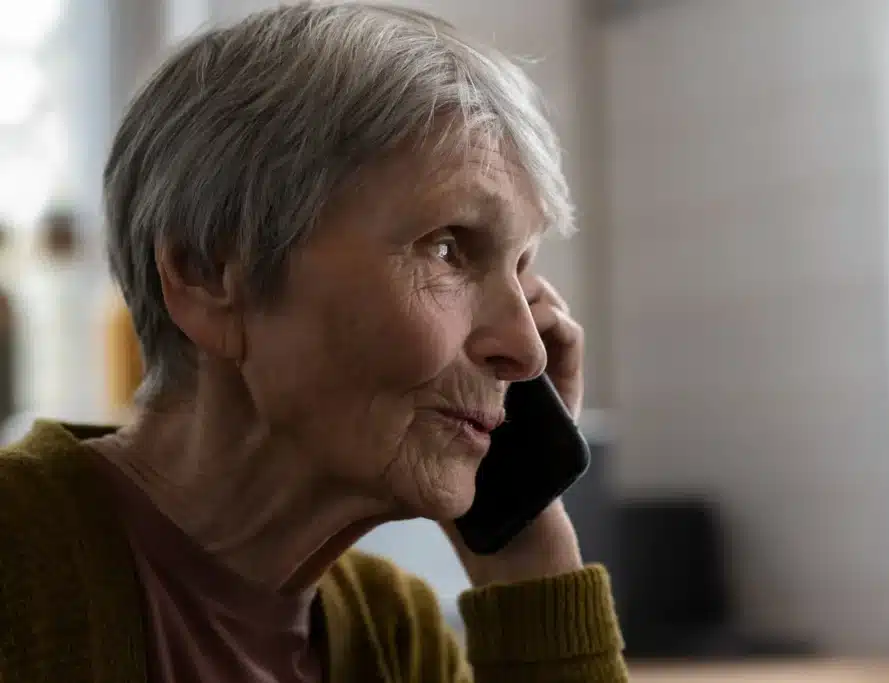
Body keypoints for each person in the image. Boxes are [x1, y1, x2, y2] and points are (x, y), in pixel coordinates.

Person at [0, 3, 627, 683]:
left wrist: (526, 542)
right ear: (207, 275)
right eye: (448, 248)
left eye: (521, 269)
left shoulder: (397, 635)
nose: (527, 350)